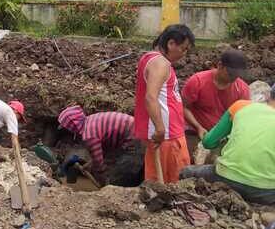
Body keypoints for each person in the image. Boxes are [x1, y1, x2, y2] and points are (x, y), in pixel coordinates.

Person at [180, 91, 275, 205]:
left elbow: (208, 142)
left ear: (269, 95)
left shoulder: (241, 106)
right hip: (266, 192)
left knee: (186, 172)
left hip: (225, 178)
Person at [134, 24, 195, 183]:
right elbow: (151, 97)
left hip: (165, 134)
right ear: (171, 44)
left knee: (158, 183)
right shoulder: (161, 64)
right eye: (183, 48)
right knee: (177, 182)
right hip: (168, 135)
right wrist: (160, 128)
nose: (184, 53)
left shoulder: (150, 59)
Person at [57, 105, 143, 186]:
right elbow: (103, 152)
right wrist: (89, 165)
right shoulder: (89, 121)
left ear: (72, 125)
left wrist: (102, 181)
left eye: (67, 127)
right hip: (134, 128)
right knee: (115, 163)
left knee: (122, 172)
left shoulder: (89, 135)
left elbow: (99, 163)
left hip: (134, 135)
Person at [182, 49, 250, 139]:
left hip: (223, 137)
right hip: (194, 131)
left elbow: (242, 117)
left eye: (237, 75)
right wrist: (198, 127)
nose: (234, 77)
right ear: (220, 66)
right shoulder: (197, 81)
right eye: (230, 74)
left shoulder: (242, 89)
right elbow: (183, 107)